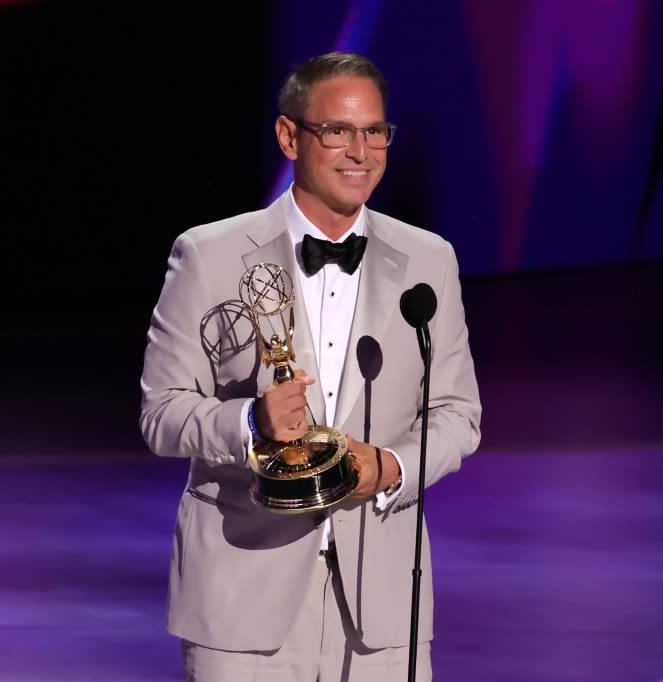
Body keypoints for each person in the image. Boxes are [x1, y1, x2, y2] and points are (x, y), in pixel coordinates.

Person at [138, 50, 482, 681]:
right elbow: (161, 412)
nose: (361, 150)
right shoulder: (209, 254)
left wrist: (392, 466)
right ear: (289, 135)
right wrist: (250, 423)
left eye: (375, 131)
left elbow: (458, 413)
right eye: (338, 131)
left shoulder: (428, 259)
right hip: (242, 596)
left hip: (382, 606)